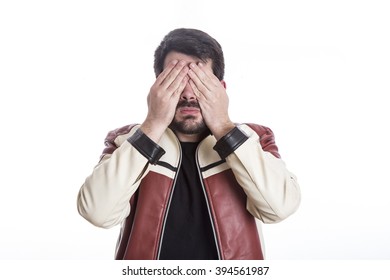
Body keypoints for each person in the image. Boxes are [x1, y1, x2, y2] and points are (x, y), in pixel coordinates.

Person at [77, 28, 301, 260]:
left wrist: (224, 127)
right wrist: (153, 124)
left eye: (198, 80)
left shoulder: (253, 137)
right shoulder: (126, 140)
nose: (187, 93)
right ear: (157, 88)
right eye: (175, 80)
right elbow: (97, 213)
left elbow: (279, 208)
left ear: (220, 89)